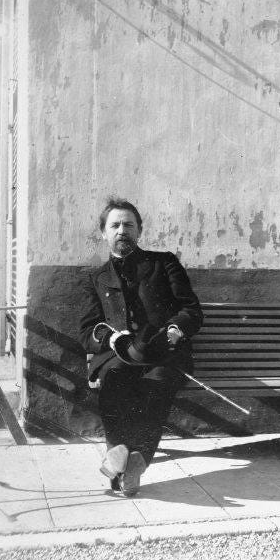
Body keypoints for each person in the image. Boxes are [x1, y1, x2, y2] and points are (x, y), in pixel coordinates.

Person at [79, 197, 203, 496]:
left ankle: (125, 462)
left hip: (164, 353)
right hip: (119, 354)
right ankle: (127, 457)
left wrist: (174, 331)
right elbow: (87, 330)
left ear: (139, 231)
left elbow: (190, 309)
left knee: (157, 384)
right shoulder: (96, 278)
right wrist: (111, 339)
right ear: (104, 233)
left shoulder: (164, 263)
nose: (122, 230)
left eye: (129, 225)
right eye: (115, 225)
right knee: (113, 379)